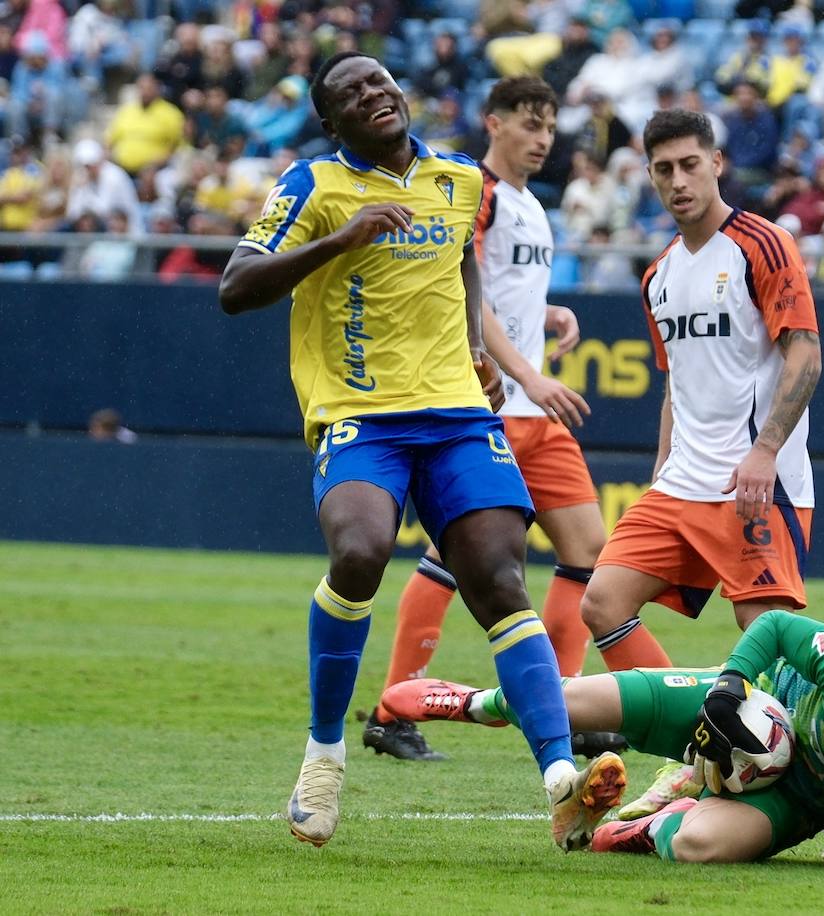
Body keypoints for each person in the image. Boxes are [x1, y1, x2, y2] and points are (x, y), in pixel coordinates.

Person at [216, 52, 624, 851]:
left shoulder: (459, 179)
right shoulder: (314, 184)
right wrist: (340, 240)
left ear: (400, 95)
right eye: (350, 94)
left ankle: (559, 779)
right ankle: (325, 753)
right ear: (333, 123)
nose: (373, 95)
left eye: (379, 82)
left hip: (457, 413)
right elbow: (237, 285)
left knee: (501, 578)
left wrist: (476, 341)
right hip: (360, 414)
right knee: (362, 551)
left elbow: (464, 263)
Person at [578, 108, 822, 815]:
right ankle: (696, 749)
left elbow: (805, 354)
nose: (678, 181)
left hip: (753, 480)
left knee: (769, 640)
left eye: (690, 164)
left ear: (717, 163)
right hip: (681, 483)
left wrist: (766, 451)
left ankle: (812, 774)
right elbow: (674, 383)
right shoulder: (657, 274)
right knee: (603, 602)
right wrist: (661, 470)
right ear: (648, 175)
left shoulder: (762, 244)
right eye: (663, 169)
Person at [359, 77, 609, 759]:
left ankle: (563, 704)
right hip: (495, 406)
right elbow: (461, 286)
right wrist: (525, 371)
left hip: (535, 410)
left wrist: (549, 315)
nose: (543, 139)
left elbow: (505, 295)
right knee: (457, 557)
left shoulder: (532, 204)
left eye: (551, 128)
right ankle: (392, 708)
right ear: (493, 122)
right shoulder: (478, 194)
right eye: (531, 124)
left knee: (588, 551)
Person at [382, 609, 824, 868]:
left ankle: (641, 820)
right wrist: (729, 686)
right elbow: (773, 624)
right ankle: (472, 703)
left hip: (792, 800)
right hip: (752, 705)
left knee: (700, 848)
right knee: (574, 701)